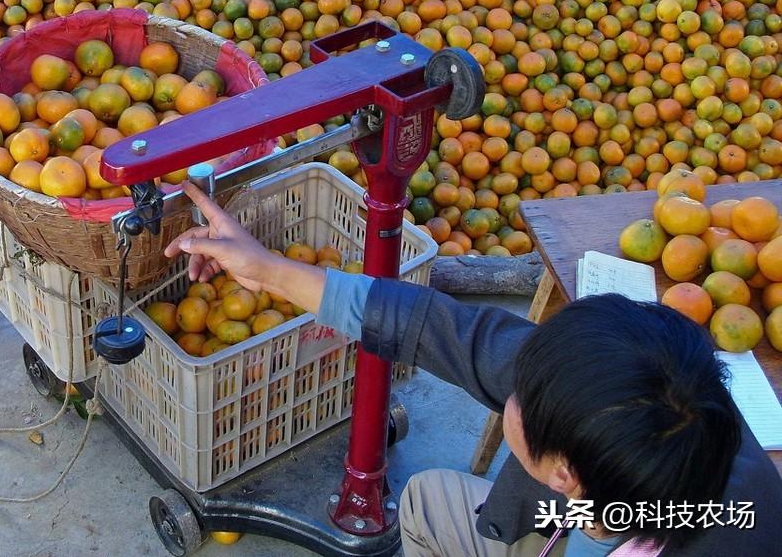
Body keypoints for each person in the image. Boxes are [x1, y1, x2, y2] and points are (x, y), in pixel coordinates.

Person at [165, 183, 782, 556]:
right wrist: (267, 269)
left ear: (562, 474)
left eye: (519, 400)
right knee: (430, 498)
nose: (509, 385)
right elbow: (450, 331)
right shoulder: (667, 412)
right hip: (591, 519)